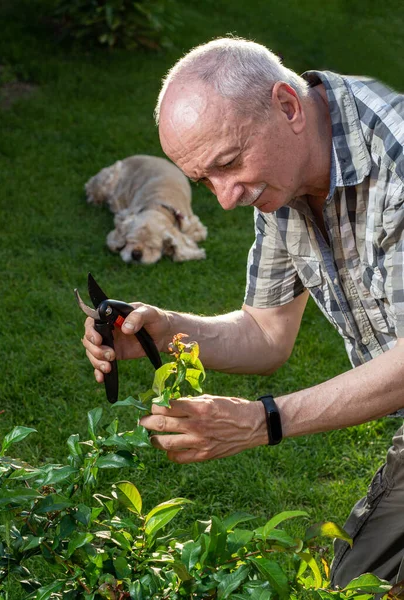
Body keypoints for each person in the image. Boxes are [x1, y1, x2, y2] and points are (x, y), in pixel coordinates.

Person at [81, 37, 404, 586]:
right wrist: (165, 328)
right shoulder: (282, 177)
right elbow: (265, 332)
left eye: (229, 163)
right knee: (355, 588)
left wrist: (263, 421)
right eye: (205, 179)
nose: (226, 197)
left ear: (287, 106)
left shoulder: (395, 158)